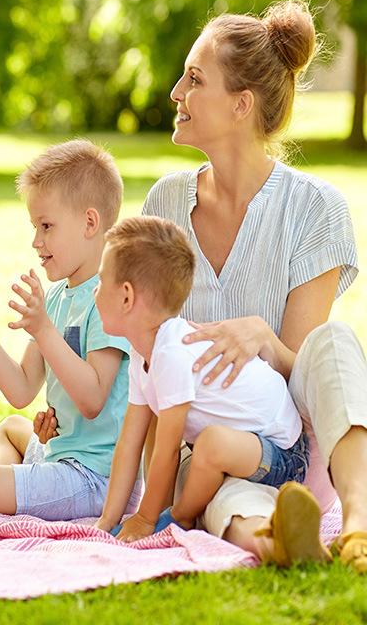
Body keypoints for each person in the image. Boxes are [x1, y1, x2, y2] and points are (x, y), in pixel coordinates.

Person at [142, 0, 366, 572]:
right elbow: (138, 349)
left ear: (241, 104)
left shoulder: (315, 209)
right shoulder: (164, 204)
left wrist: (265, 340)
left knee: (334, 342)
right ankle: (283, 542)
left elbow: (304, 379)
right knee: (226, 491)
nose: (176, 92)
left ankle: (359, 524)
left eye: (195, 79)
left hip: (293, 449)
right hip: (204, 456)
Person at [0, 139, 141, 520]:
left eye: (46, 226)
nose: (36, 241)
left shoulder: (112, 297)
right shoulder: (56, 298)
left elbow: (92, 399)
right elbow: (20, 390)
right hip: (62, 457)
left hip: (97, 478)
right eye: (35, 227)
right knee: (10, 428)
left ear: (90, 223)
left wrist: (44, 331)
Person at [94, 216, 309, 541]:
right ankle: (176, 516)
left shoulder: (171, 353)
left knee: (209, 444)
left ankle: (179, 518)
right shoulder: (142, 353)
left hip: (284, 453)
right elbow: (129, 444)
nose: (95, 291)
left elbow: (167, 450)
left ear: (126, 297)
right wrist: (106, 521)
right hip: (241, 447)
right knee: (207, 446)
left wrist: (145, 519)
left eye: (100, 281)